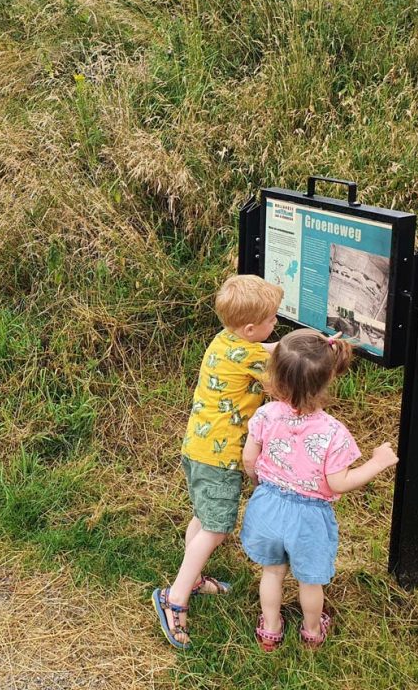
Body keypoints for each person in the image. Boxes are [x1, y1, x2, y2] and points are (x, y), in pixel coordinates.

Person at [239, 329, 399, 650]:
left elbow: (248, 458)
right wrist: (377, 462)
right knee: (310, 581)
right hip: (308, 519)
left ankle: (270, 629)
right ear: (327, 381)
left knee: (272, 573)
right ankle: (312, 631)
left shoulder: (265, 415)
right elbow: (338, 482)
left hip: (268, 506)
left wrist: (260, 485)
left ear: (276, 376)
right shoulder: (333, 433)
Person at [152, 274, 283, 649]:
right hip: (220, 457)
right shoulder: (254, 355)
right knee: (217, 527)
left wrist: (282, 343)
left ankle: (191, 578)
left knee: (203, 516)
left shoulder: (225, 341)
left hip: (197, 447)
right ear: (250, 328)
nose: (276, 324)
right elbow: (280, 382)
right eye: (272, 319)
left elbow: (268, 348)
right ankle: (174, 598)